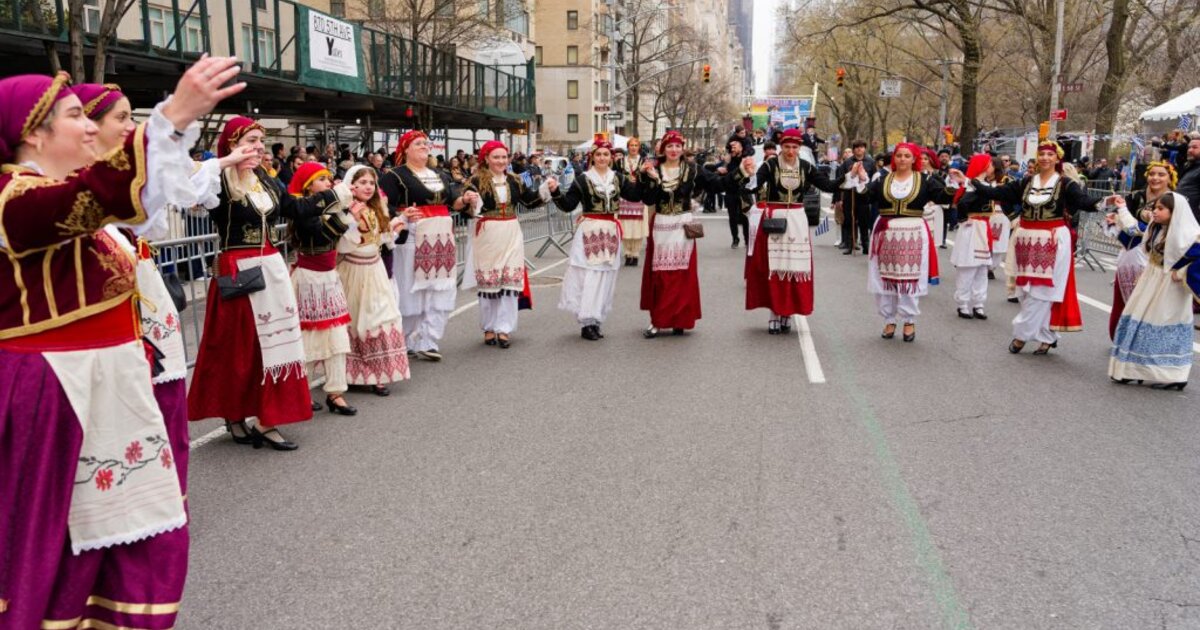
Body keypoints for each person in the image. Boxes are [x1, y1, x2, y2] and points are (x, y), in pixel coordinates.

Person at [0, 58, 240, 630]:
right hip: (56, 393)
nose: (90, 126)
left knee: (130, 538)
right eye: (75, 116)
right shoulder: (13, 199)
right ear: (33, 133)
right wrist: (172, 116)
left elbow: (119, 196)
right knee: (55, 549)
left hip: (104, 388)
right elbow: (91, 196)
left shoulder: (59, 198)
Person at [189, 115, 351, 450]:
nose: (259, 148)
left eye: (260, 142)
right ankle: (234, 414)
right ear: (232, 145)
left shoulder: (264, 177)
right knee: (239, 348)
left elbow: (296, 207)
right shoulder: (217, 179)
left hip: (271, 266)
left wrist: (333, 195)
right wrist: (224, 162)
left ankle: (267, 418)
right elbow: (188, 191)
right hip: (238, 269)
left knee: (276, 345)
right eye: (250, 141)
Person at [962, 142, 1102, 355]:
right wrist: (969, 180)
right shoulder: (1026, 182)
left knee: (1044, 290)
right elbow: (997, 193)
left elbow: (1085, 201)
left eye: (1050, 154)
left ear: (1057, 158)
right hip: (1027, 240)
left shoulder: (1065, 184)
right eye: (1041, 154)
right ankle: (1047, 335)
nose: (1045, 158)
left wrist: (1106, 203)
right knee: (1025, 291)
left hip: (1053, 240)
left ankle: (1021, 334)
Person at [844, 143, 962, 342]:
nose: (902, 159)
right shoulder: (883, 179)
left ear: (914, 159)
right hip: (886, 233)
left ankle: (908, 320)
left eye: (907, 156)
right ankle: (889, 319)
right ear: (894, 158)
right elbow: (866, 198)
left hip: (912, 233)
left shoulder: (925, 180)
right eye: (899, 155)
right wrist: (861, 178)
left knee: (909, 279)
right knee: (885, 278)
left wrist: (953, 183)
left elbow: (942, 197)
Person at [737, 128, 842, 333]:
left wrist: (850, 176)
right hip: (775, 219)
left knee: (794, 268)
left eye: (794, 147)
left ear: (799, 148)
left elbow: (828, 186)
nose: (790, 151)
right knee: (774, 267)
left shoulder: (806, 167)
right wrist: (748, 175)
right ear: (781, 147)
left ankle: (787, 312)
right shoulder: (770, 165)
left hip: (797, 220)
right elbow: (752, 186)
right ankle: (774, 314)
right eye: (786, 147)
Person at [379, 130, 463, 362]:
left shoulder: (439, 174)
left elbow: (452, 201)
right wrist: (402, 215)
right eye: (418, 143)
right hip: (413, 237)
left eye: (426, 143)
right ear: (405, 149)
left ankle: (428, 339)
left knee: (439, 288)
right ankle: (405, 339)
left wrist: (465, 200)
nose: (424, 146)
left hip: (441, 238)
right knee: (410, 287)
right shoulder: (394, 176)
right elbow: (382, 205)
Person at [461, 141, 552, 347]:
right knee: (489, 283)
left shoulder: (514, 179)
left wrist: (546, 189)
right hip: (487, 234)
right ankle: (489, 326)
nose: (501, 161)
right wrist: (469, 201)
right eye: (496, 157)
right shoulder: (475, 180)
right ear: (486, 159)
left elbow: (529, 201)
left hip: (511, 232)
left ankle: (504, 328)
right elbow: (465, 210)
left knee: (509, 282)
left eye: (504, 157)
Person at [1108, 192, 1200, 389]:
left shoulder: (1189, 234)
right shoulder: (1155, 228)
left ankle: (1174, 375)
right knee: (1139, 321)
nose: (1155, 212)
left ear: (1174, 212)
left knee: (1162, 325)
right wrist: (1122, 209)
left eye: (1160, 209)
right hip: (1151, 279)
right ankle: (1132, 369)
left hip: (1171, 288)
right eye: (1155, 208)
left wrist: (1182, 271)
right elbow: (1133, 229)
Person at [287, 161, 358, 414]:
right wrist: (346, 213)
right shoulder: (302, 212)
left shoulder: (330, 208)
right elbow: (323, 235)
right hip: (309, 279)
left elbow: (349, 241)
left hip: (330, 278)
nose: (328, 183)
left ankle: (336, 392)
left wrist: (348, 211)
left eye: (329, 178)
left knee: (337, 334)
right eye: (322, 179)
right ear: (308, 187)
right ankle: (301, 391)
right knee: (309, 336)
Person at [637, 131, 724, 337]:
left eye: (678, 146)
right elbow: (648, 199)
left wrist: (742, 173)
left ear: (682, 148)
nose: (674, 150)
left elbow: (717, 184)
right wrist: (648, 178)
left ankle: (680, 319)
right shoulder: (654, 168)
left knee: (682, 274)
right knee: (660, 274)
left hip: (683, 224)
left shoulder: (692, 169)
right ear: (663, 149)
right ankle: (657, 320)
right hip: (661, 224)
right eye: (670, 146)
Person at [553, 139, 640, 340]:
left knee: (605, 276)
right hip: (590, 230)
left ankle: (596, 319)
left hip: (610, 231)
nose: (602, 158)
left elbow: (635, 195)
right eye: (598, 154)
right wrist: (555, 191)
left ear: (611, 157)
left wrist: (646, 177)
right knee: (590, 275)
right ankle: (586, 322)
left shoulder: (618, 178)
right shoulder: (582, 180)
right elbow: (568, 205)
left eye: (606, 154)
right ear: (592, 157)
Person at [337, 165, 411, 392]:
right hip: (353, 271)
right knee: (356, 321)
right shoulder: (343, 212)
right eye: (362, 183)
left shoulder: (377, 209)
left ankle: (378, 372)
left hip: (375, 270)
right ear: (351, 186)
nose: (368, 187)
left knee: (380, 318)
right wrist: (353, 221)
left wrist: (401, 220)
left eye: (371, 183)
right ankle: (353, 373)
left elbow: (384, 240)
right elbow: (342, 245)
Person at [1104, 160, 1176, 339]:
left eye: (1161, 174)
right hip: (1130, 256)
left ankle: (1143, 342)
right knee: (1122, 302)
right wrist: (1114, 218)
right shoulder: (1136, 196)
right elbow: (1121, 219)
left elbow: (1137, 228)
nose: (1155, 178)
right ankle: (1120, 339)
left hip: (1156, 259)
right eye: (1152, 174)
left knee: (1149, 304)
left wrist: (1124, 216)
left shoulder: (1175, 201)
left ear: (1170, 178)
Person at [836, 139, 877, 255]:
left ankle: (865, 245)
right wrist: (839, 198)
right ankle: (850, 245)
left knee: (864, 221)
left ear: (865, 149)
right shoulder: (847, 162)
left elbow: (873, 179)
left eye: (862, 147)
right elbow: (841, 179)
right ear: (854, 149)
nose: (859, 149)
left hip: (864, 196)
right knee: (850, 220)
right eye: (857, 147)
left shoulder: (870, 162)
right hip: (850, 195)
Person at [615, 137, 649, 265]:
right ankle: (627, 253)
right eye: (631, 145)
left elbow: (648, 178)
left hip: (639, 196)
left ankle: (635, 253)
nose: (633, 148)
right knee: (625, 225)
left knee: (637, 226)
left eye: (636, 145)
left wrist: (639, 177)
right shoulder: (620, 162)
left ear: (639, 147)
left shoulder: (644, 161)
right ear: (628, 147)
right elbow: (615, 177)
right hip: (624, 196)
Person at [722, 138, 753, 248]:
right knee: (732, 217)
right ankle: (735, 238)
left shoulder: (745, 159)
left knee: (745, 217)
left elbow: (750, 174)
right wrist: (725, 165)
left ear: (741, 148)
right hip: (730, 192)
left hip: (743, 192)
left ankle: (747, 239)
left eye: (735, 146)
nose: (733, 149)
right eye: (732, 147)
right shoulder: (729, 159)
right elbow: (723, 172)